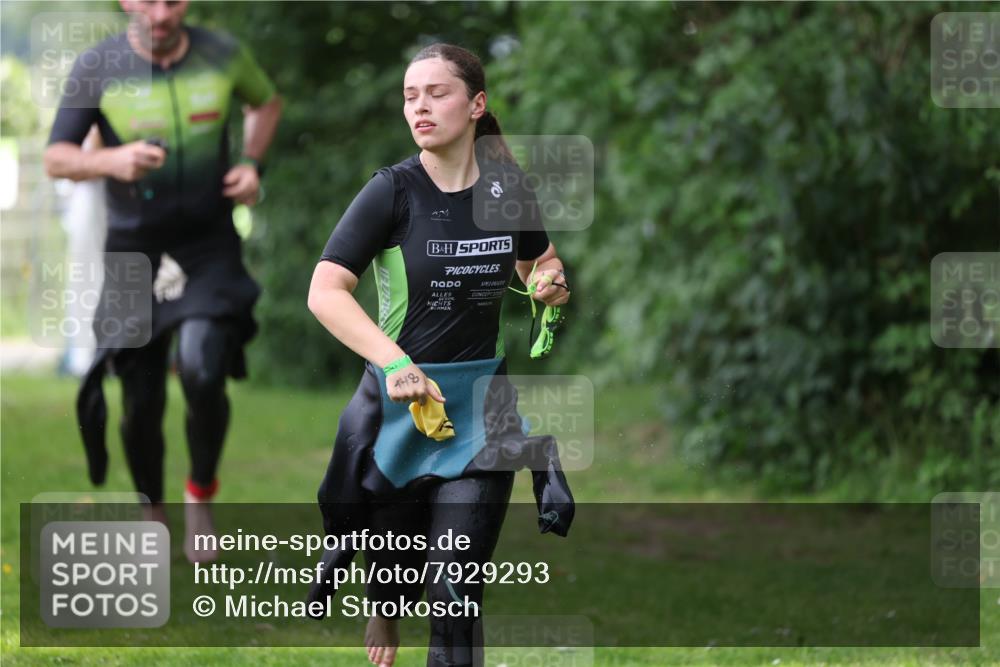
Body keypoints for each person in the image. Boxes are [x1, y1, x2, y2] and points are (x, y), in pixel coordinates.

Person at [308, 43, 571, 667]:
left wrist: (549, 282)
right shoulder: (391, 192)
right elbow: (325, 290)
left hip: (483, 410)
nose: (420, 106)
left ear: (476, 105)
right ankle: (383, 601)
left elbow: (542, 259)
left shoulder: (509, 189)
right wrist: (395, 363)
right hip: (399, 408)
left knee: (454, 592)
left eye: (438, 93)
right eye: (410, 95)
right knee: (392, 561)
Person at [43, 0, 282, 563]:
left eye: (172, 1)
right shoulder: (97, 65)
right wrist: (111, 161)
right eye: (147, 0)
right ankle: (152, 511)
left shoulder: (222, 53)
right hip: (132, 251)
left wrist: (251, 163)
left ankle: (200, 492)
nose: (159, 12)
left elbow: (266, 102)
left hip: (208, 246)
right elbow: (56, 157)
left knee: (202, 368)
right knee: (140, 397)